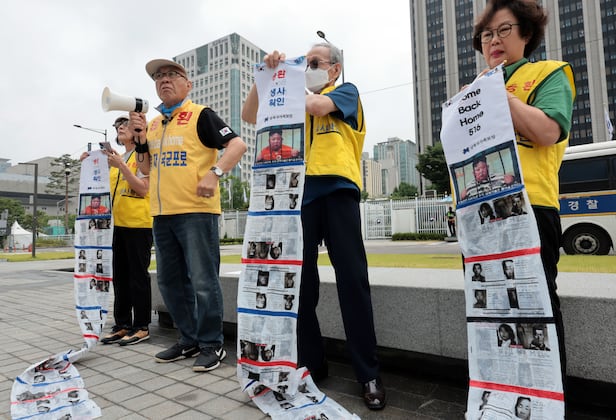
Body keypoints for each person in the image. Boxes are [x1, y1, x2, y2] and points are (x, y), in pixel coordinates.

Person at [242, 43, 386, 410]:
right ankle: (312, 363)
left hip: (338, 191)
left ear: (334, 69)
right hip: (299, 196)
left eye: (314, 63)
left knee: (352, 281)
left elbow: (319, 106)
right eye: (304, 63)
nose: (307, 68)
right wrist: (266, 77)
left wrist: (288, 78)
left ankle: (368, 373)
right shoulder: (295, 99)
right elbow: (249, 114)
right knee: (300, 286)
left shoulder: (345, 92)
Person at [473, 0, 575, 386]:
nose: (493, 41)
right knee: (491, 310)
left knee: (536, 308)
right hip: (482, 213)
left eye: (504, 30)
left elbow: (548, 131)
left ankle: (548, 402)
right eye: (487, 34)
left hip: (529, 207)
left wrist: (501, 94)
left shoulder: (548, 73)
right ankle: (500, 397)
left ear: (526, 35)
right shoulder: (474, 90)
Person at [130, 58, 247, 371]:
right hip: (162, 214)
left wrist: (215, 173)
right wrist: (140, 140)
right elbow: (145, 169)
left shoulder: (200, 114)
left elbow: (237, 145)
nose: (164, 80)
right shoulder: (154, 124)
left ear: (188, 84)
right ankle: (189, 339)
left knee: (203, 282)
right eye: (158, 76)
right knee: (169, 282)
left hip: (196, 212)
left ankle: (211, 344)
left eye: (172, 74)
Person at [82, 115, 154, 347]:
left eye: (125, 125)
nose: (120, 128)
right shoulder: (118, 159)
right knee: (120, 277)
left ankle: (141, 326)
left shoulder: (143, 156)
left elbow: (143, 189)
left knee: (138, 277)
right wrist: (88, 163)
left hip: (138, 224)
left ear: (137, 131)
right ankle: (122, 324)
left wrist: (121, 166)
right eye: (117, 126)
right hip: (115, 226)